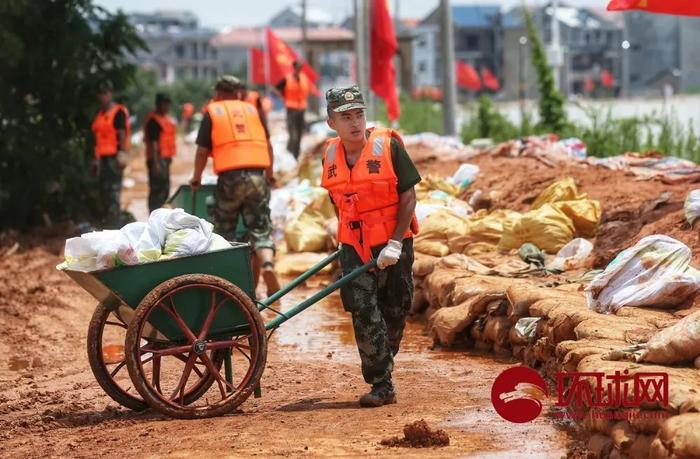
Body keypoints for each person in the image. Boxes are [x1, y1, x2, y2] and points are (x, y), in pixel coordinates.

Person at [320, 86, 421, 407]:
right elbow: (335, 198)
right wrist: (344, 239)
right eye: (345, 117)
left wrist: (394, 244)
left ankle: (382, 357)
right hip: (354, 245)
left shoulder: (389, 147)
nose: (354, 123)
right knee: (363, 310)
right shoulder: (329, 154)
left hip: (394, 242)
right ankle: (382, 383)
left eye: (359, 114)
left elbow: (408, 196)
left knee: (396, 308)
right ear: (331, 122)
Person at [190, 75, 280, 296]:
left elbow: (202, 151)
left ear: (218, 93)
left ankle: (231, 284)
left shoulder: (213, 111)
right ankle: (267, 264)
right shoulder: (252, 110)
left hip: (230, 178)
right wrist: (270, 175)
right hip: (258, 175)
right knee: (260, 228)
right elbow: (267, 145)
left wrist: (196, 178)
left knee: (225, 231)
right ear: (238, 93)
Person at [91, 83, 131, 228]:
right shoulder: (100, 115)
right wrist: (95, 160)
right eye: (100, 94)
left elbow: (121, 134)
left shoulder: (117, 112)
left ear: (110, 94)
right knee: (104, 194)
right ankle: (107, 225)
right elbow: (97, 139)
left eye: (105, 93)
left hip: (114, 159)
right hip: (102, 159)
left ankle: (114, 228)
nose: (102, 97)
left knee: (113, 195)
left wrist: (122, 153)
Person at [143, 93, 177, 212]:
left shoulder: (166, 120)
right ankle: (154, 214)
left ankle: (162, 214)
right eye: (164, 104)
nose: (167, 107)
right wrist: (156, 163)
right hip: (157, 160)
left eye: (168, 104)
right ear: (158, 104)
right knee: (156, 190)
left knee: (165, 189)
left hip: (165, 160)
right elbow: (154, 143)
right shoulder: (154, 121)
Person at [274, 61, 310, 158]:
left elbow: (306, 91)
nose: (298, 70)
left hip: (301, 109)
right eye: (297, 68)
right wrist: (283, 97)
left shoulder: (304, 78)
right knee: (293, 134)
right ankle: (290, 153)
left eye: (300, 68)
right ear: (293, 68)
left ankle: (295, 155)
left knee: (299, 134)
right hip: (291, 109)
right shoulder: (287, 79)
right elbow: (276, 89)